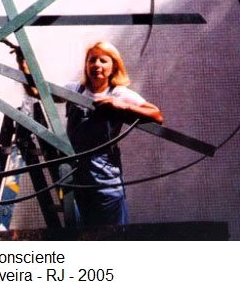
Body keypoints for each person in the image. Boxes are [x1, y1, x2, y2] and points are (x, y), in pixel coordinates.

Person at [9, 40, 163, 226]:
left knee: (113, 234)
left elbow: (156, 115)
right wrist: (23, 63)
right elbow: (36, 91)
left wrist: (121, 106)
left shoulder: (119, 94)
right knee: (83, 232)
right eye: (92, 60)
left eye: (103, 60)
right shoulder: (74, 90)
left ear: (114, 66)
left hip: (105, 176)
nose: (96, 65)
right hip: (76, 172)